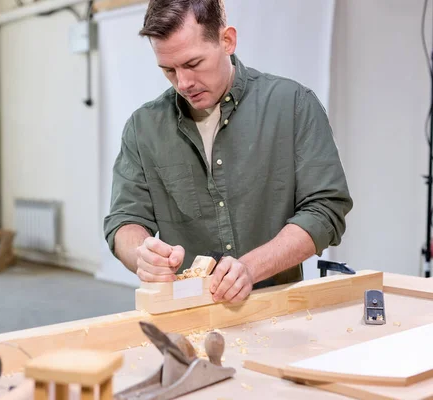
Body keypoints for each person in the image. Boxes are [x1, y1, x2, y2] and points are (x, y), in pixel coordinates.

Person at [103, 0, 353, 304]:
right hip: (187, 312)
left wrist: (250, 268)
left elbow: (326, 209)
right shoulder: (144, 127)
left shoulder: (293, 105)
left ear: (227, 40)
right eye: (169, 70)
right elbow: (125, 219)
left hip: (275, 307)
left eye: (193, 64)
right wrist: (141, 254)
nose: (183, 83)